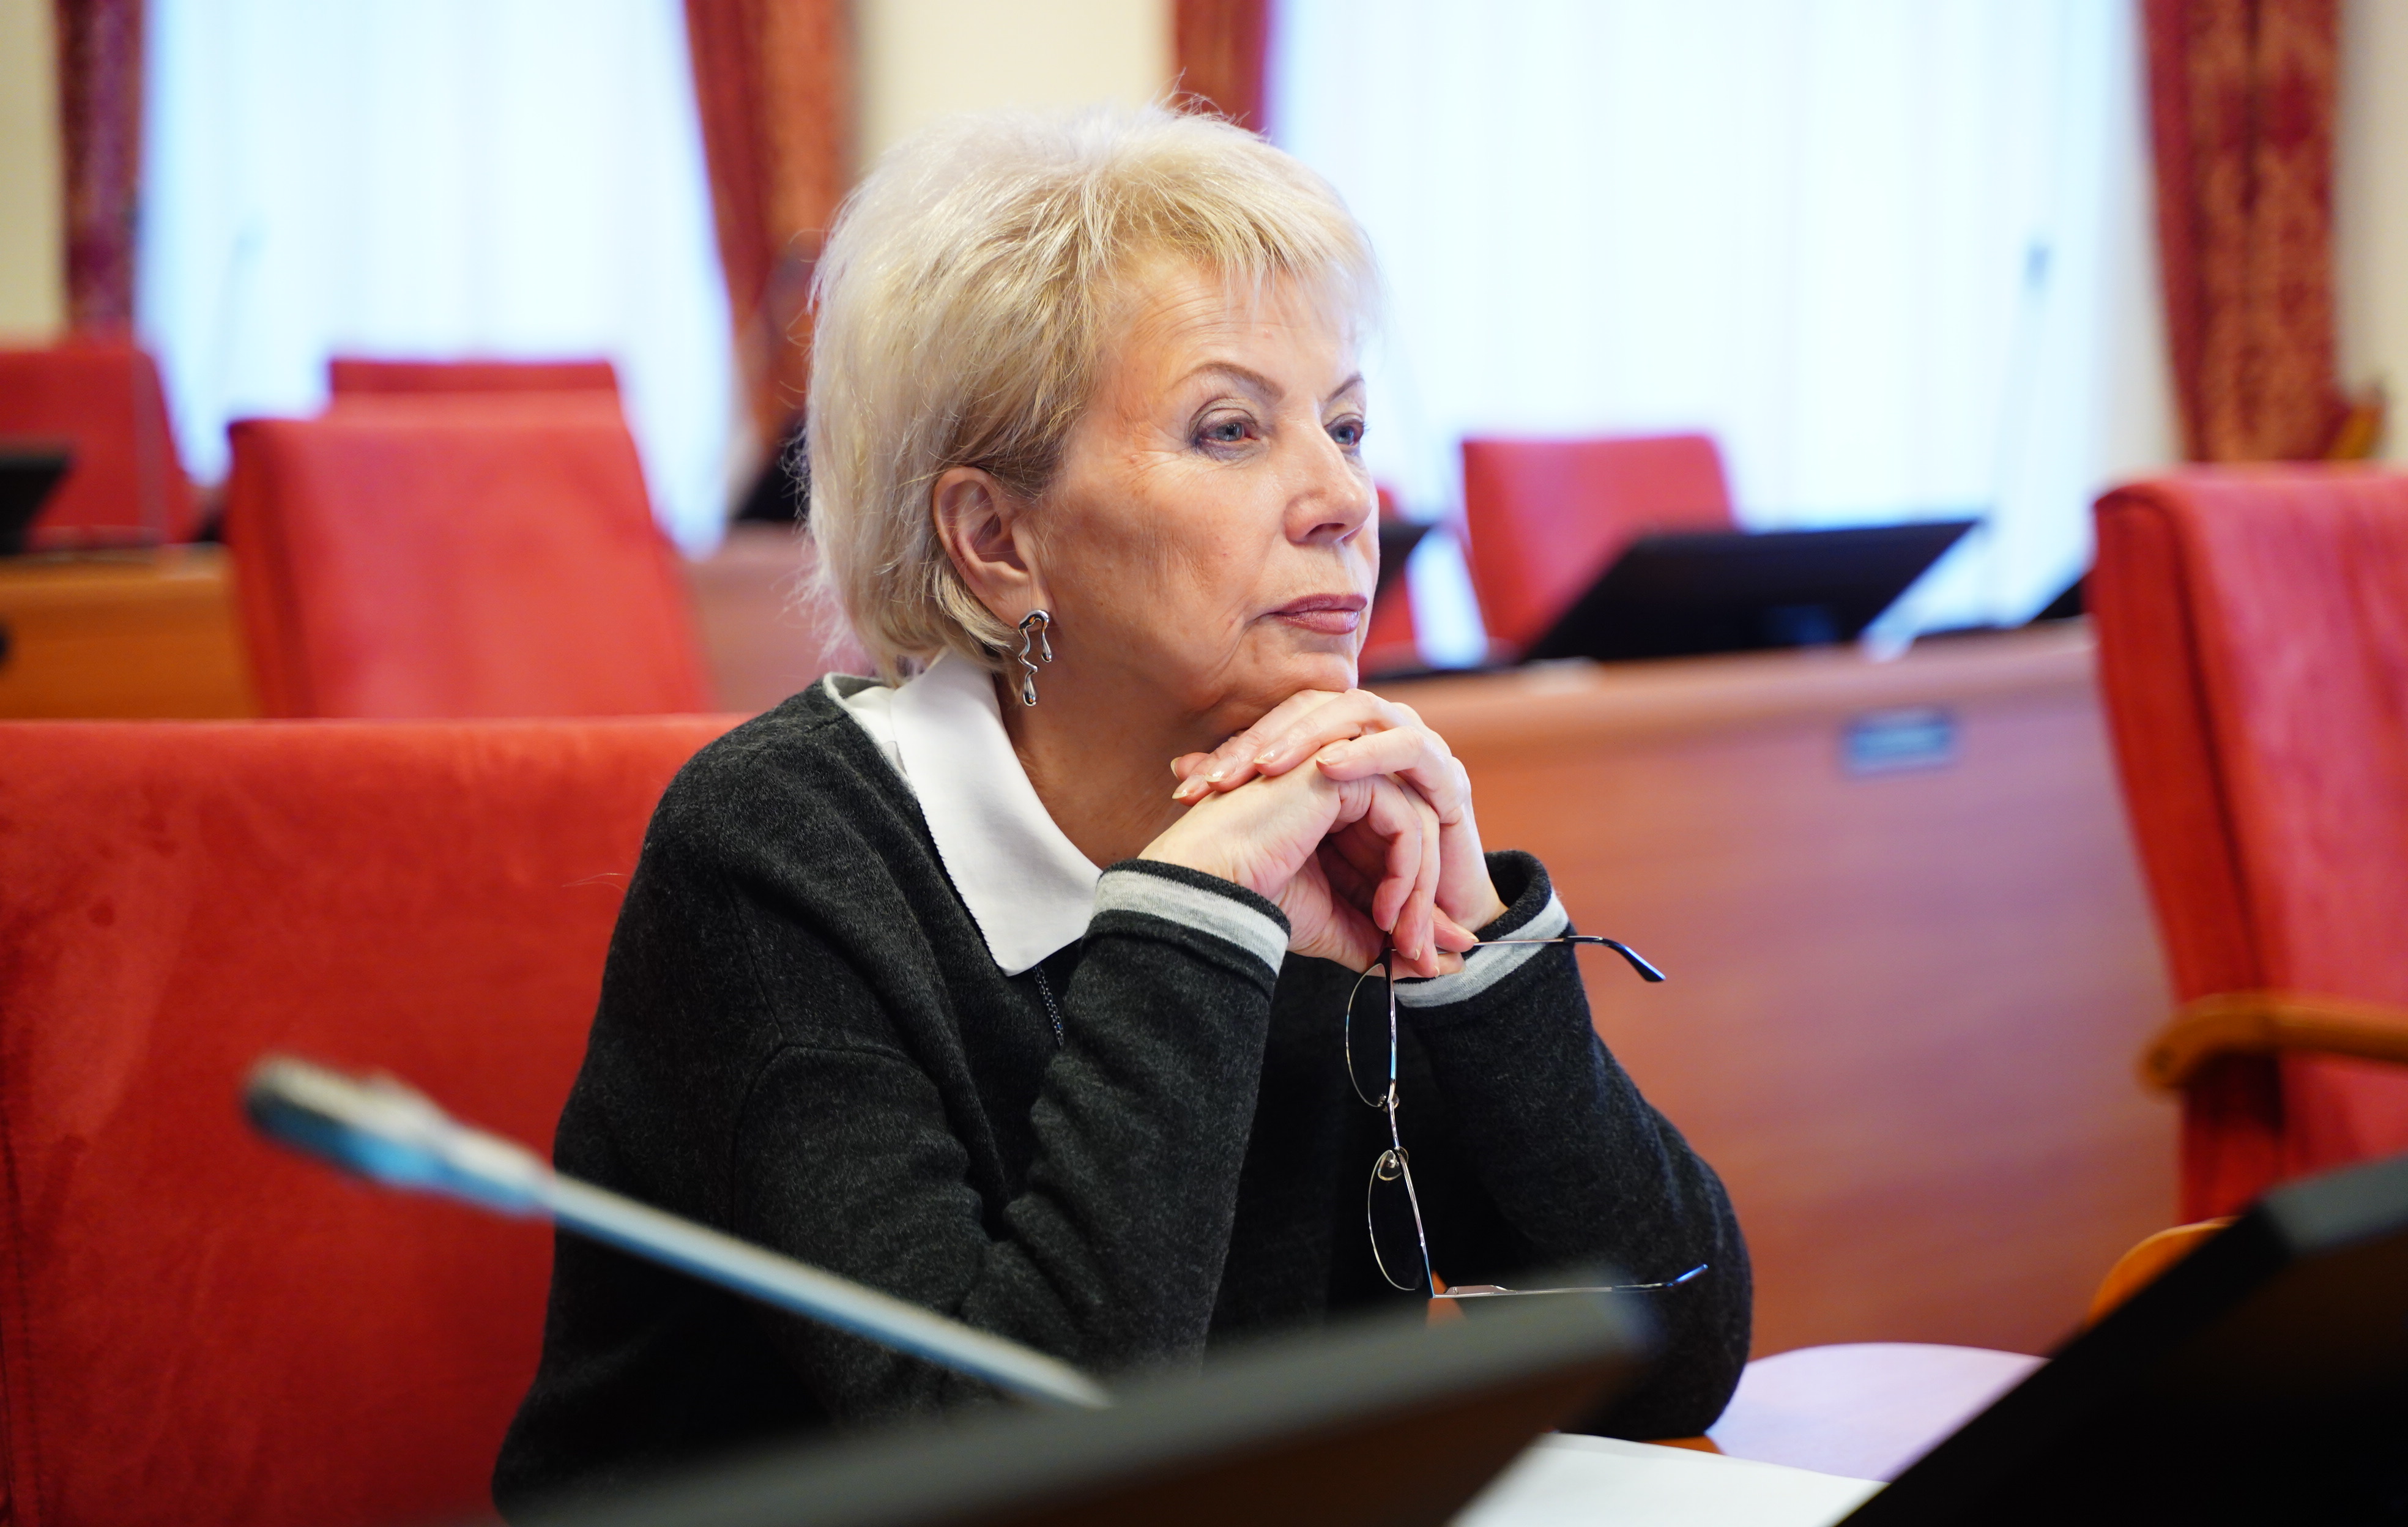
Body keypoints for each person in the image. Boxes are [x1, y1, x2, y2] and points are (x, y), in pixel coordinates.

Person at [494, 105, 1748, 1510]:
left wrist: (1473, 963)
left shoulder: (1322, 815)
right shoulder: (777, 857)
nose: (1345, 498)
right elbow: (1017, 1473)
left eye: (1345, 425)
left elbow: (1672, 1361)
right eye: (1232, 429)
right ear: (997, 538)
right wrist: (1194, 924)